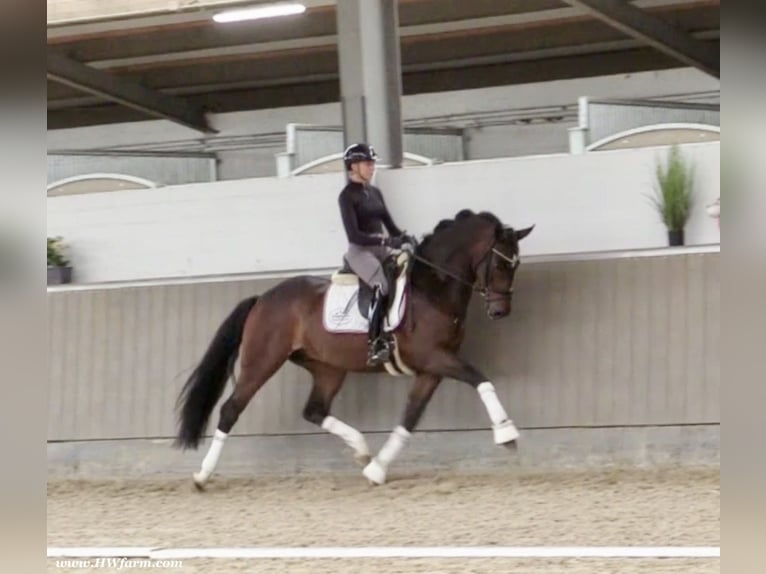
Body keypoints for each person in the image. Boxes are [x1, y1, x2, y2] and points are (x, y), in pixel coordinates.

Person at [338, 143, 410, 366]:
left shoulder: (375, 193)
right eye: (368, 164)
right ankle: (376, 341)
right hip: (360, 252)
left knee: (407, 273)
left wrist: (406, 238)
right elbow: (354, 236)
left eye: (372, 163)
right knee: (382, 285)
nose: (372, 168)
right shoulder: (347, 197)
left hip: (381, 249)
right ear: (354, 166)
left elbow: (390, 225)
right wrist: (387, 240)